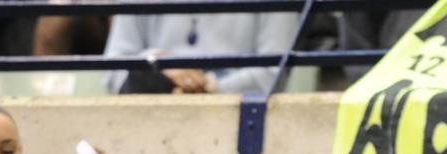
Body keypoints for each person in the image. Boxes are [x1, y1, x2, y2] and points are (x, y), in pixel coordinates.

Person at [103, 12, 300, 94]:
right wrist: (155, 64)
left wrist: (209, 88)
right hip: (148, 112)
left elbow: (273, 73)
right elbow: (113, 70)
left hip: (237, 120)